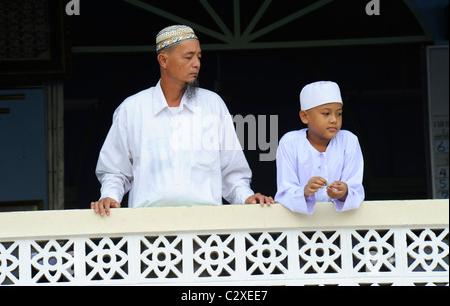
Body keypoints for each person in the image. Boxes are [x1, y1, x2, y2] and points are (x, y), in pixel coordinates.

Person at [91, 25, 274, 216]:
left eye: (199, 57)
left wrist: (246, 197)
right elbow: (114, 170)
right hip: (147, 229)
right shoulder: (133, 108)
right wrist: (110, 196)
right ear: (163, 60)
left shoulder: (212, 104)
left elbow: (232, 172)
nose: (197, 63)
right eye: (188, 57)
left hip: (208, 228)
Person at [274, 81, 364, 214]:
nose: (334, 119)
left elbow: (356, 191)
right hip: (299, 226)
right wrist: (304, 191)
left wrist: (344, 192)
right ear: (305, 116)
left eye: (338, 114)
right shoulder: (290, 142)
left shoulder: (349, 141)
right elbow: (285, 193)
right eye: (326, 114)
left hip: (341, 226)